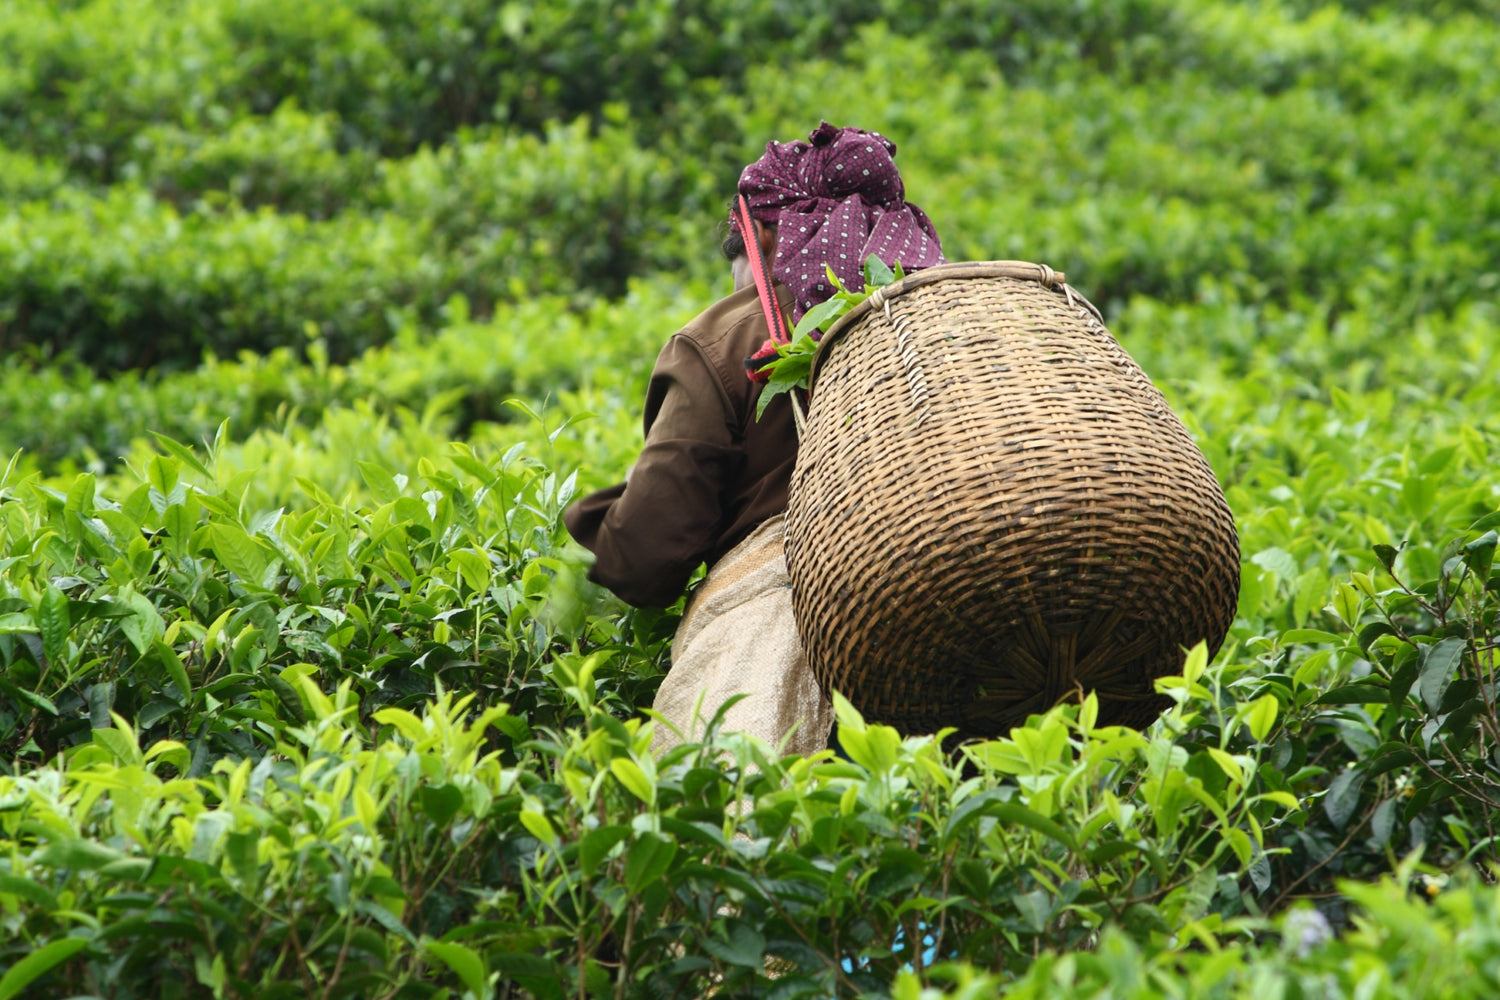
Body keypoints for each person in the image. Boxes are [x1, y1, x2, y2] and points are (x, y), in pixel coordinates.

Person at [563, 122, 945, 756]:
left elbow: (649, 553)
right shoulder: (948, 314)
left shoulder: (726, 338)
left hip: (787, 649)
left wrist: (587, 533)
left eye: (736, 255)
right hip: (958, 615)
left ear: (763, 234)